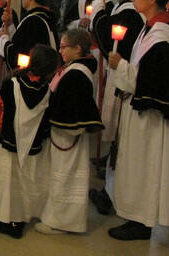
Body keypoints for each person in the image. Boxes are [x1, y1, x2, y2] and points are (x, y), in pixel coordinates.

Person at [107, 0, 169, 241]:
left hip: (151, 120)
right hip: (137, 112)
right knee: (135, 164)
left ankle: (142, 220)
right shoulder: (149, 28)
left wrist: (119, 65)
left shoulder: (162, 38)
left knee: (146, 166)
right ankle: (136, 216)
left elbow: (151, 81)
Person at [0, 44, 58, 239]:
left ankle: (4, 218)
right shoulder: (48, 91)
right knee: (25, 183)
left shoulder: (12, 84)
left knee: (6, 181)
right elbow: (47, 121)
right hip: (33, 146)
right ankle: (20, 219)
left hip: (9, 142)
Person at [88, 0, 145, 213]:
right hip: (119, 76)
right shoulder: (125, 8)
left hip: (125, 81)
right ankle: (109, 191)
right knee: (117, 141)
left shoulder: (131, 14)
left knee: (120, 140)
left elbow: (104, 34)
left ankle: (112, 195)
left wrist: (100, 4)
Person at [37, 29, 103, 235]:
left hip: (67, 135)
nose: (60, 51)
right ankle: (59, 217)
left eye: (64, 47)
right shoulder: (72, 69)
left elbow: (72, 106)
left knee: (65, 175)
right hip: (64, 134)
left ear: (77, 48)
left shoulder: (76, 74)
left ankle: (61, 222)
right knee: (61, 174)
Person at [0, 0, 59, 72]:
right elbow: (22, 41)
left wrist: (4, 40)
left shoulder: (33, 20)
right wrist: (10, 24)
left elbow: (23, 56)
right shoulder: (45, 17)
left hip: (31, 76)